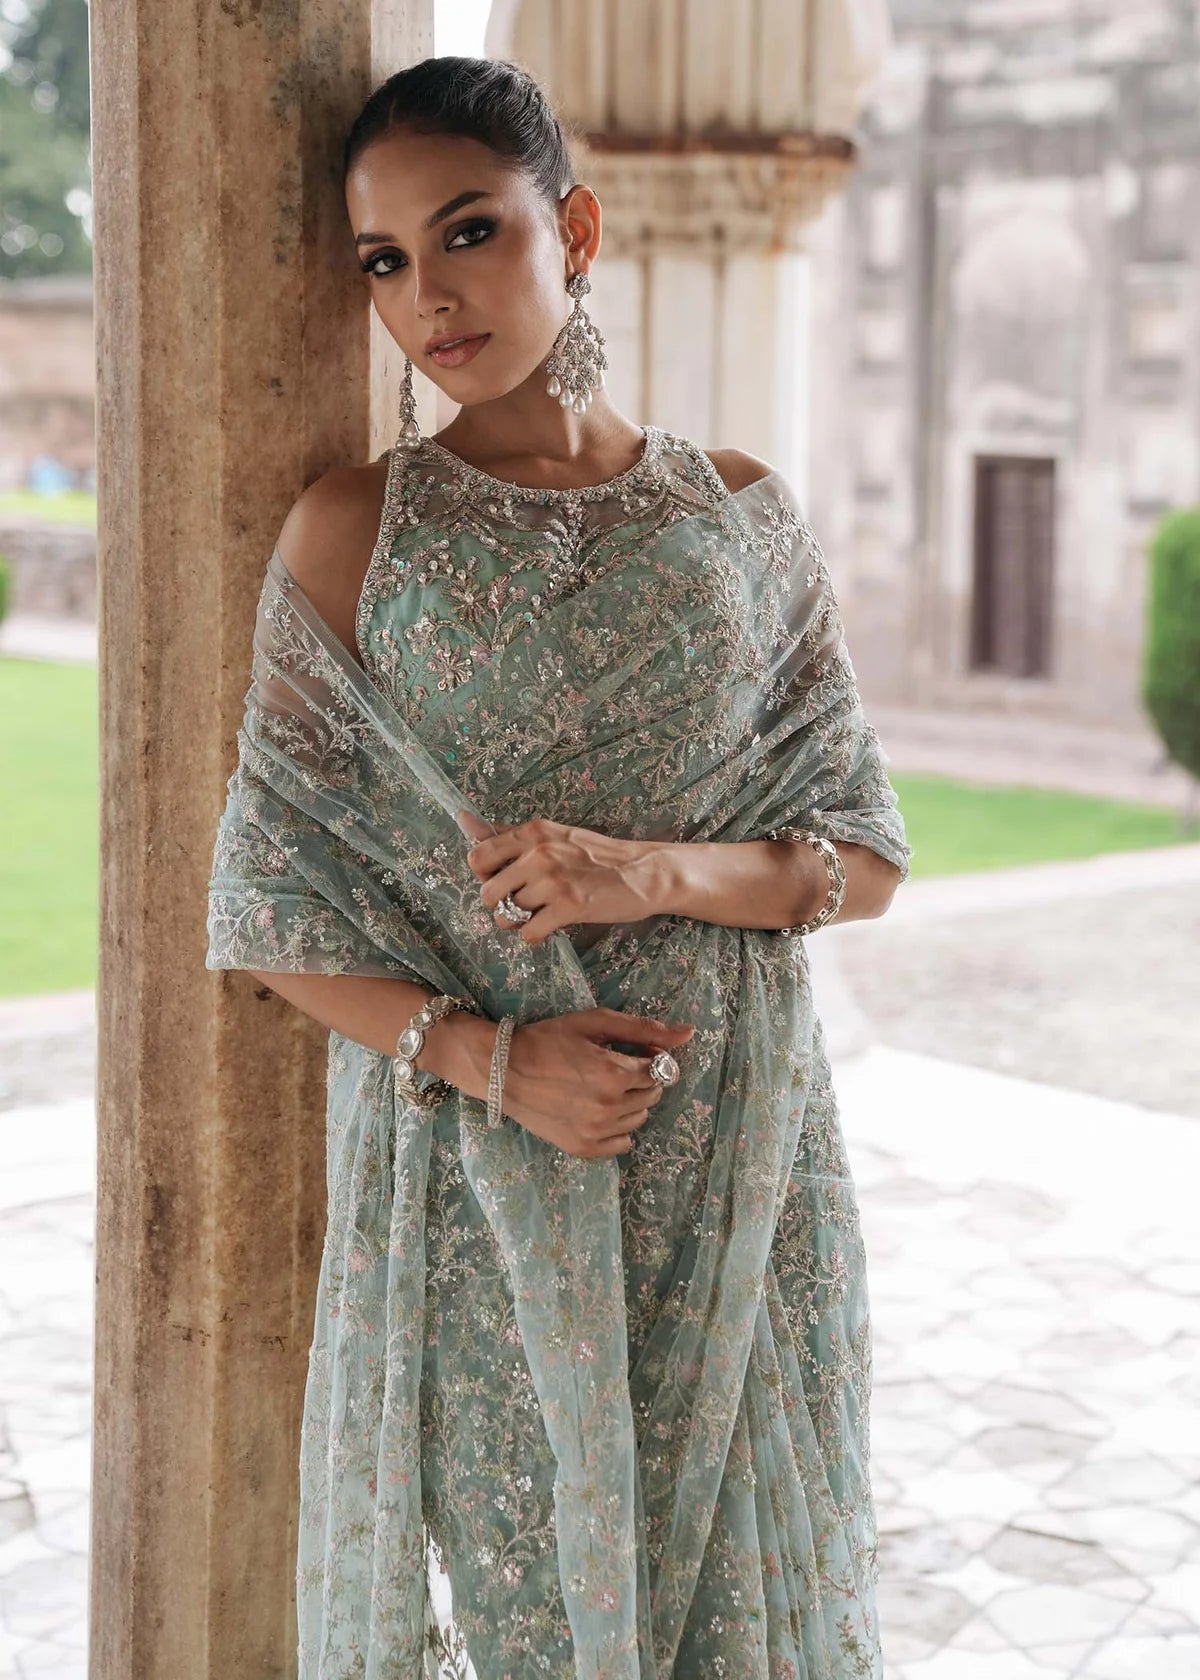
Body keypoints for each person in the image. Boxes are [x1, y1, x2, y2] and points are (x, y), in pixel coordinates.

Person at [206, 54, 912, 1680]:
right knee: (533, 1623)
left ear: (574, 229)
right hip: (488, 1186)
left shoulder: (740, 514)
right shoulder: (355, 531)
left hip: (742, 1166)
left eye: (469, 232)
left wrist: (644, 873)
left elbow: (863, 859)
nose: (429, 296)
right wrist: (492, 1060)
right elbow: (267, 900)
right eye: (386, 261)